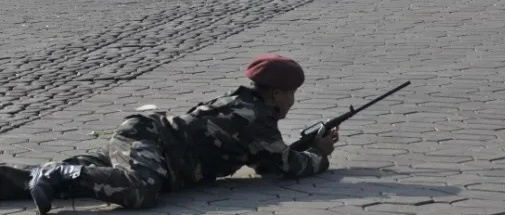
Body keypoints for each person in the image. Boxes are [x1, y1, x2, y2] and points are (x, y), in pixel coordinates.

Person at [0, 55, 338, 215]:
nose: (293, 102)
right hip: (149, 143)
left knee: (67, 180)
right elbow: (288, 166)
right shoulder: (255, 119)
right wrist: (320, 154)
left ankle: (27, 178)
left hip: (151, 147)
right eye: (292, 94)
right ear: (278, 94)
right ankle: (55, 172)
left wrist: (302, 147)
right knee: (141, 192)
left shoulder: (243, 105)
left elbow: (266, 162)